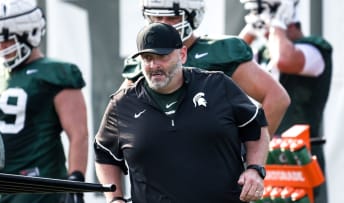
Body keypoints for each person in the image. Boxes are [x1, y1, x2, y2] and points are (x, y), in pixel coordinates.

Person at [95, 22, 270, 203]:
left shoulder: (217, 85)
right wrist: (115, 199)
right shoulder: (122, 104)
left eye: (162, 56)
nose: (154, 65)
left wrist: (255, 169)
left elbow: (256, 127)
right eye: (147, 58)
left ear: (183, 54)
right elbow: (105, 154)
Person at [121, 0, 290, 137]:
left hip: (213, 163)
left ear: (192, 17)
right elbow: (119, 114)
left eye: (172, 18)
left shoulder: (218, 52)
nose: (164, 25)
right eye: (157, 18)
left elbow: (276, 98)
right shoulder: (143, 61)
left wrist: (249, 153)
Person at [0, 0, 88, 202]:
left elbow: (79, 135)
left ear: (29, 34)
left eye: (6, 40)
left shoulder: (55, 73)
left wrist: (75, 182)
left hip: (36, 188)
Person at [239, 0, 332, 202]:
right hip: (266, 154)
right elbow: (230, 63)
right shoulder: (264, 52)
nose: (266, 29)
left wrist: (278, 21)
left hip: (300, 156)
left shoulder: (315, 48)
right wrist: (251, 29)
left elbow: (283, 59)